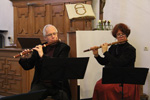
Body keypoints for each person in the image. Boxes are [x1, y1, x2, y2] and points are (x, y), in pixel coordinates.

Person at [19, 24, 71, 100]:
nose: (53, 36)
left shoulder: (64, 48)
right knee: (30, 97)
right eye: (50, 35)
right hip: (41, 84)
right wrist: (24, 58)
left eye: (54, 34)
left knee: (64, 97)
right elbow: (28, 66)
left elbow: (57, 65)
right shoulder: (40, 47)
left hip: (58, 85)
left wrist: (42, 56)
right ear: (45, 37)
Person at [90, 23, 140, 100]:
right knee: (98, 85)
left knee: (106, 88)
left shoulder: (130, 49)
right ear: (115, 36)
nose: (121, 36)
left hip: (125, 78)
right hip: (113, 76)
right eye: (118, 34)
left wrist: (105, 52)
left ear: (126, 35)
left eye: (123, 34)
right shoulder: (113, 47)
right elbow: (105, 62)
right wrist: (96, 55)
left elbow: (119, 63)